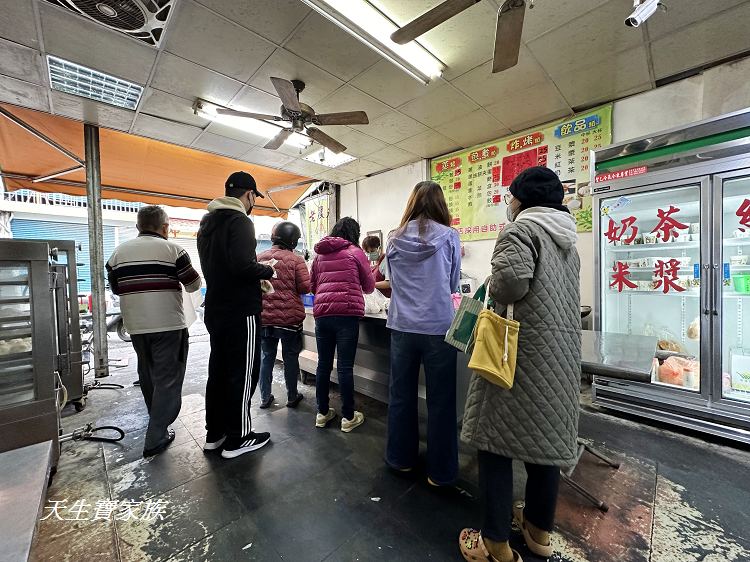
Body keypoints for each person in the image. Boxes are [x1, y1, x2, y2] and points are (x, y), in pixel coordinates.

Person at [459, 166, 581, 562]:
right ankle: (538, 531)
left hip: (518, 356)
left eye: (510, 196)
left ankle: (494, 544)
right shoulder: (567, 240)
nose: (508, 203)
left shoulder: (521, 230)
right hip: (557, 358)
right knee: (543, 446)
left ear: (523, 199)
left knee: (494, 444)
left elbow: (511, 286)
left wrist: (492, 279)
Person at [106, 205, 201, 457]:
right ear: (165, 227)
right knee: (168, 379)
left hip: (136, 326)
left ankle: (155, 421)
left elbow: (116, 289)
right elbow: (193, 285)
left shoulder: (117, 254)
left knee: (147, 374)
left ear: (138, 227)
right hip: (169, 324)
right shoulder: (173, 250)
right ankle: (156, 436)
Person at [384, 181, 462, 488]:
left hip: (402, 326)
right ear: (440, 205)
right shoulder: (450, 237)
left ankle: (400, 460)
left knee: (401, 395)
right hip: (439, 327)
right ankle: (440, 473)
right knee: (442, 401)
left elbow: (390, 280)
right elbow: (454, 283)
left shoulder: (393, 238)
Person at [197, 171, 275, 459]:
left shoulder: (208, 223)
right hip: (241, 311)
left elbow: (225, 266)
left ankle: (214, 434)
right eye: (254, 197)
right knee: (242, 374)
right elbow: (243, 266)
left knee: (218, 372)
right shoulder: (240, 221)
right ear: (249, 195)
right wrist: (269, 270)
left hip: (216, 309)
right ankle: (239, 437)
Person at [310, 217, 374, 432]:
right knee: (345, 367)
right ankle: (348, 417)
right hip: (346, 315)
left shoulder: (319, 256)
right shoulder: (355, 253)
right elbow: (369, 286)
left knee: (323, 365)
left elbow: (312, 286)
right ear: (354, 234)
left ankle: (322, 413)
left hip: (322, 315)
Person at [257, 221, 311, 409]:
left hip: (264, 318)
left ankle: (264, 397)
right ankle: (292, 396)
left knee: (266, 357)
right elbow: (305, 287)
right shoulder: (296, 260)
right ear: (293, 241)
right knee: (290, 357)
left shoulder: (258, 257)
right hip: (289, 319)